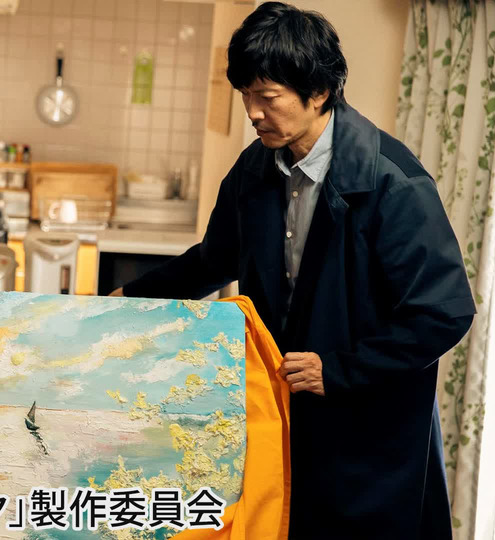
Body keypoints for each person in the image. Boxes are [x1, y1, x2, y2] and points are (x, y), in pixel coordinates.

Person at [111, 3, 475, 539]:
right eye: (245, 96)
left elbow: (444, 313)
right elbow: (214, 259)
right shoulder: (254, 168)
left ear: (319, 91)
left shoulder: (392, 182)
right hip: (283, 412)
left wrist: (341, 370)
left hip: (364, 430)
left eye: (267, 97)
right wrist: (126, 300)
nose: (253, 113)